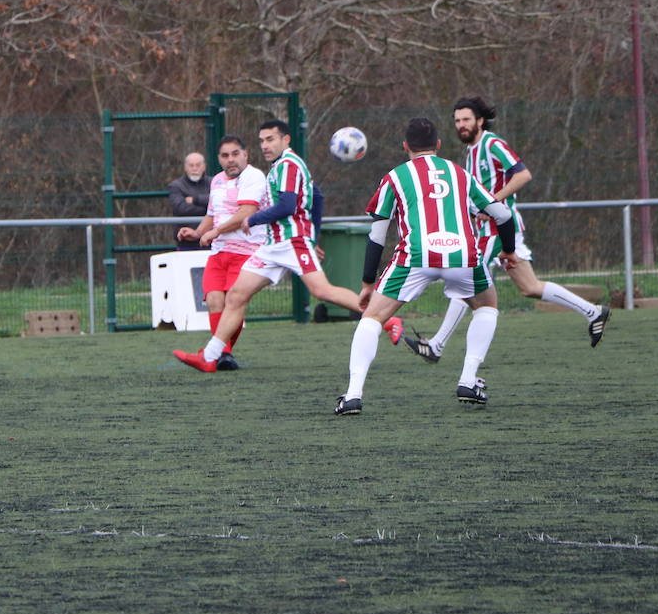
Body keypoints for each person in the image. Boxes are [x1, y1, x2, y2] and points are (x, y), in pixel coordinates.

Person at [173, 120, 401, 373]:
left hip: (292, 241)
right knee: (237, 296)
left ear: (286, 139)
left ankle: (388, 320)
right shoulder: (281, 166)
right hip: (273, 245)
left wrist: (255, 218)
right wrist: (312, 236)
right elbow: (318, 197)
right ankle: (210, 356)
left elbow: (287, 206)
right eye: (262, 140)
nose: (265, 145)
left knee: (323, 291)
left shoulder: (289, 165)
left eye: (271, 139)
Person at [401, 97, 609, 363]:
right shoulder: (472, 150)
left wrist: (493, 202)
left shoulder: (492, 144)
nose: (461, 125)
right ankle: (593, 312)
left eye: (466, 119)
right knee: (530, 287)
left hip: (497, 229)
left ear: (480, 120)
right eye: (457, 121)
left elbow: (523, 174)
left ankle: (437, 345)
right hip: (493, 229)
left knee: (467, 280)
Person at [336, 117, 519, 415]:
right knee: (486, 306)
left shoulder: (394, 177)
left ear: (405, 146)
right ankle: (469, 380)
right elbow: (503, 215)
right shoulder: (460, 173)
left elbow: (377, 238)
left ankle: (353, 395)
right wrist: (509, 252)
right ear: (438, 145)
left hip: (416, 256)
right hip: (463, 255)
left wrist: (368, 282)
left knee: (372, 318)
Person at [175, 135, 268, 370]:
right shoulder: (216, 180)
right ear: (218, 159)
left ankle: (216, 354)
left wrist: (215, 232)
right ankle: (222, 354)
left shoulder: (254, 176)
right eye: (225, 156)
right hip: (219, 253)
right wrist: (197, 233)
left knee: (233, 302)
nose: (231, 160)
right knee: (215, 300)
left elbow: (246, 212)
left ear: (246, 154)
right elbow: (211, 215)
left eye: (235, 154)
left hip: (247, 252)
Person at [168, 151, 209, 250]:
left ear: (204, 167)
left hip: (210, 238)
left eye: (198, 165)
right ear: (185, 167)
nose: (195, 168)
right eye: (191, 165)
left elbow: (219, 204)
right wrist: (208, 206)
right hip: (186, 240)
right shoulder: (176, 186)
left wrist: (195, 200)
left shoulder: (214, 182)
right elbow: (180, 209)